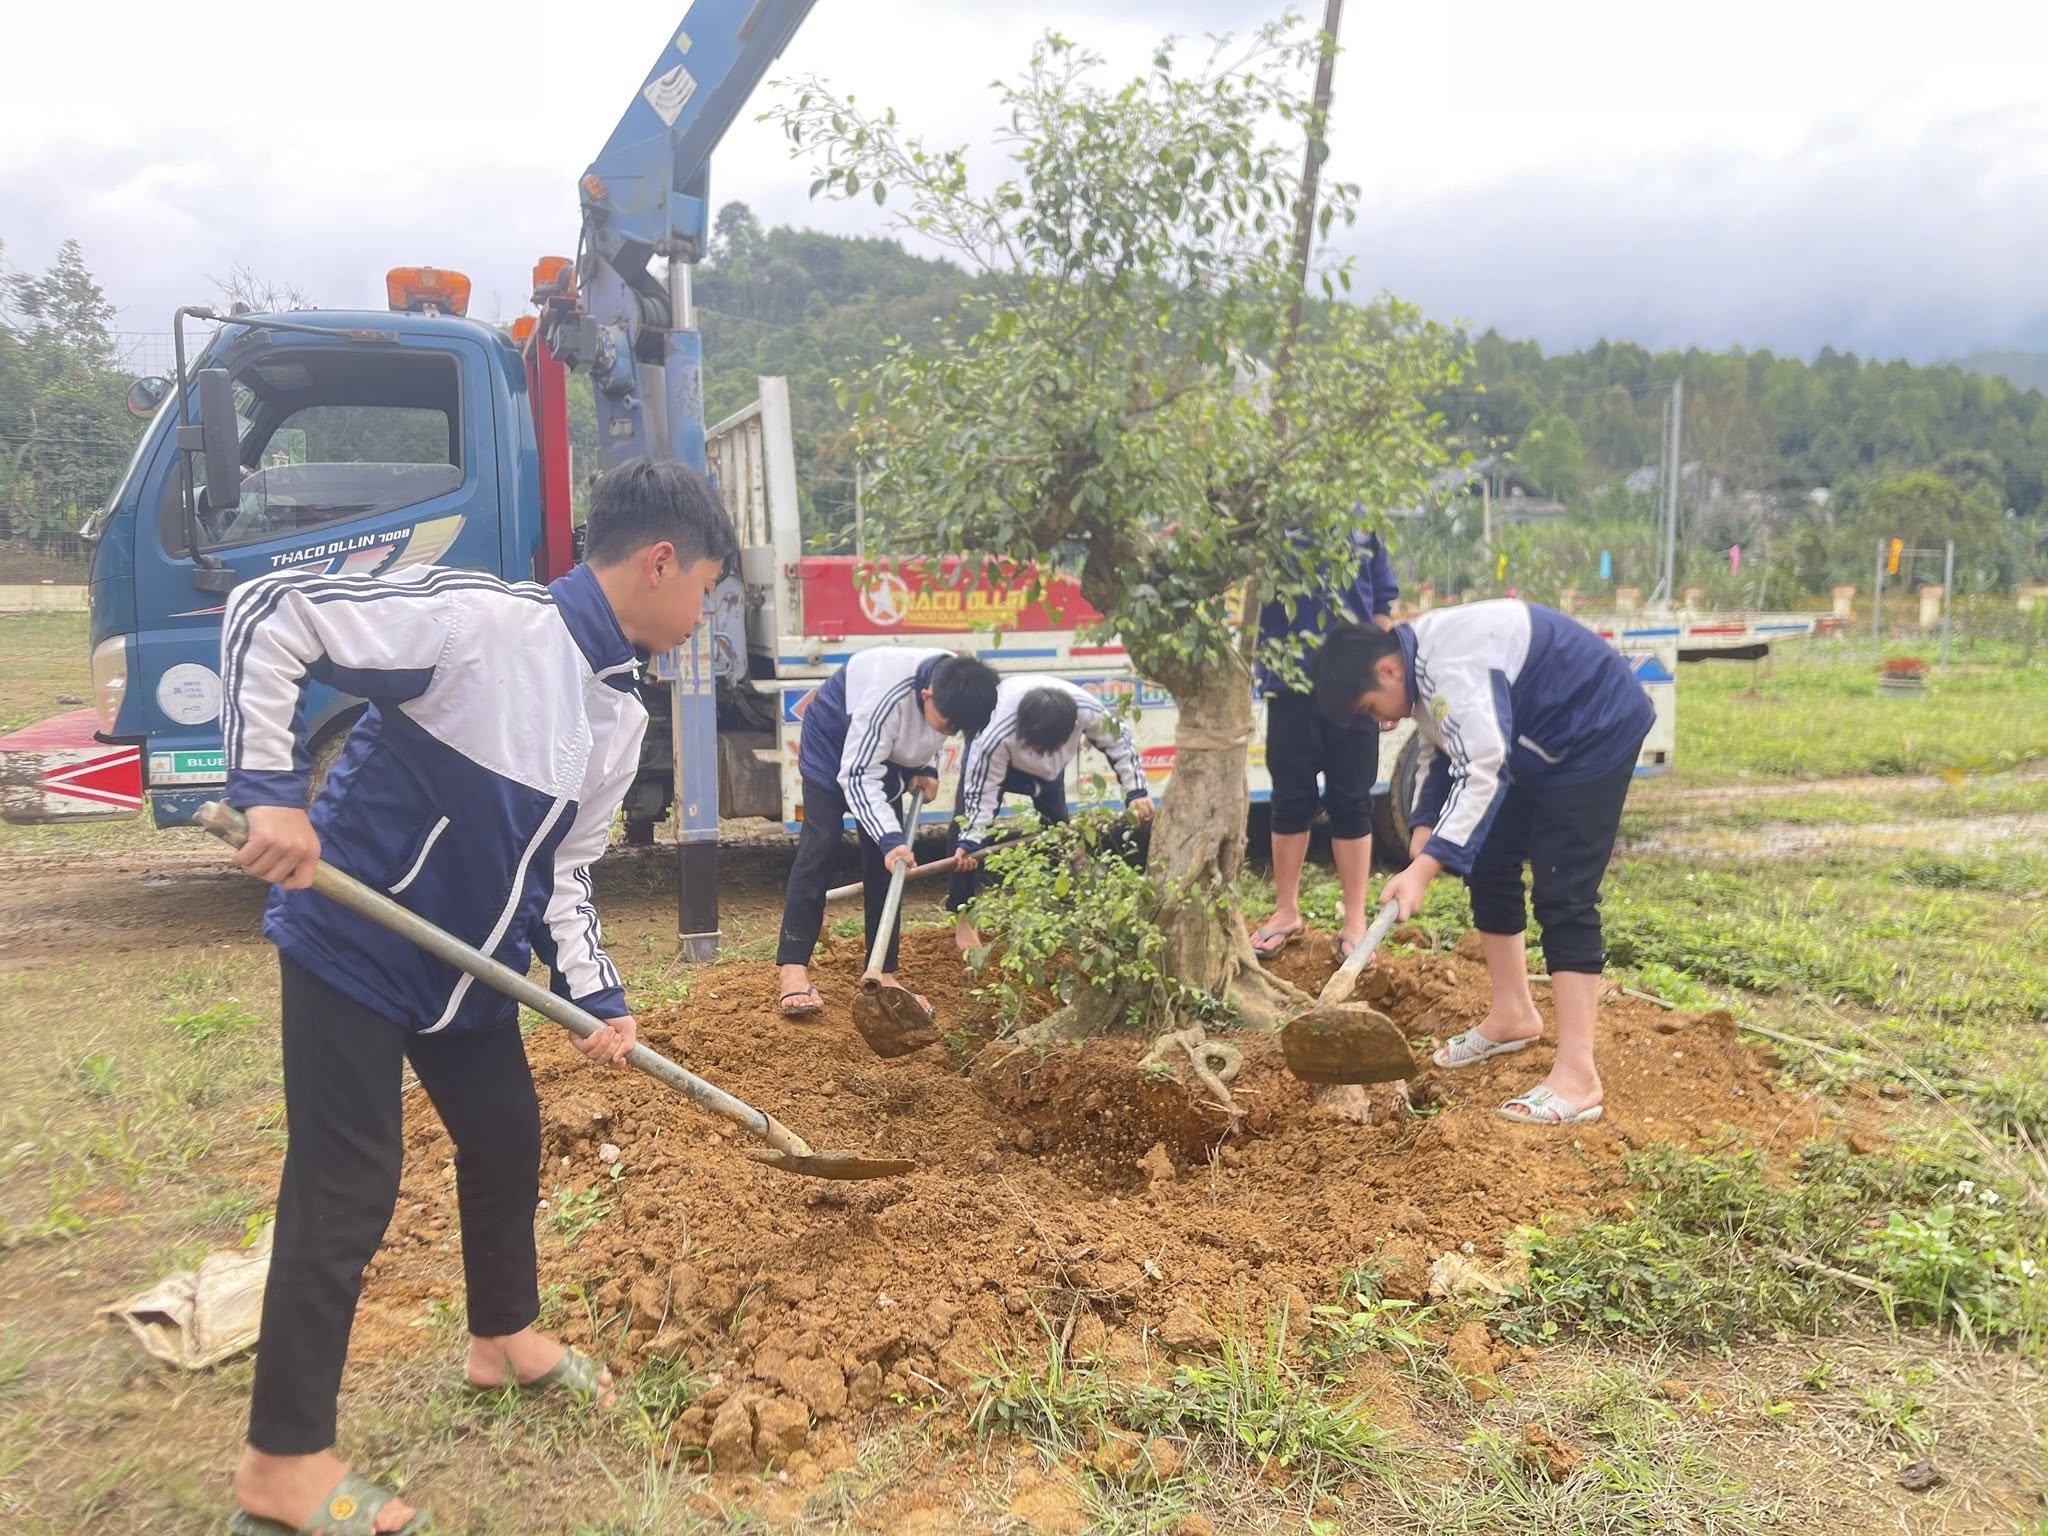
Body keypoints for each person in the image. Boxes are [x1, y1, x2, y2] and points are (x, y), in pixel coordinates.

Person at [219, 459, 736, 1536]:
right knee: (347, 1189)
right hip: (356, 946)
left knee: (505, 1138)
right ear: (660, 563)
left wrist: (598, 993)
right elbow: (272, 609)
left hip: (466, 975)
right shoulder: (482, 624)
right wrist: (269, 792)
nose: (704, 614)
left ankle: (501, 1339)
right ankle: (283, 1460)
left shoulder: (616, 714)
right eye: (707, 589)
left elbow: (566, 874)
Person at [1310, 602, 1655, 1127]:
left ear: (1387, 670)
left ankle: (1579, 1076)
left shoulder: (1451, 665)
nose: (1379, 721)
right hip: (1533, 737)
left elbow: (1482, 769)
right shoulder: (1417, 665)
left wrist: (1425, 868)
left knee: (1563, 891)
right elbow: (1439, 747)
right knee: (1490, 860)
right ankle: (1514, 1014)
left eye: (1369, 707)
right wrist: (1424, 827)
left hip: (1593, 729)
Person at [775, 647, 999, 1018]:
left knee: (887, 867)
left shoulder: (953, 689)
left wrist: (925, 767)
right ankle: (793, 969)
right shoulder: (887, 695)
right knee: (822, 845)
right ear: (927, 694)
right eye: (948, 724)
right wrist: (890, 840)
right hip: (833, 745)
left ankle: (884, 973)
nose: (949, 733)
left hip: (885, 755)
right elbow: (857, 774)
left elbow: (923, 732)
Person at [1251, 518, 1399, 962]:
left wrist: (1383, 686)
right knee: (1290, 797)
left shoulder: (1362, 520)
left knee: (1352, 800)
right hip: (1290, 681)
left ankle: (1354, 921)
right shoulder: (1271, 513)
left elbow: (1382, 604)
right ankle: (1285, 911)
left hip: (1355, 687)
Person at [948, 676, 1155, 951]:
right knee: (965, 834)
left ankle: (1070, 915)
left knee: (1060, 835)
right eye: (1034, 746)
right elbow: (979, 796)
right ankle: (963, 916)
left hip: (1050, 775)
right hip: (999, 762)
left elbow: (1120, 741)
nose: (1038, 753)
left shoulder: (1086, 710)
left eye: (1045, 748)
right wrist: (970, 840)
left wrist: (1136, 792)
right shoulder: (992, 735)